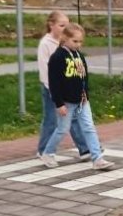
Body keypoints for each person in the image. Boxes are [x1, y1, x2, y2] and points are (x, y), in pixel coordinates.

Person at [40, 22, 115, 170]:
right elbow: (54, 82)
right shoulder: (57, 57)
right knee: (62, 128)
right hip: (66, 101)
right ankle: (48, 153)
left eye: (80, 41)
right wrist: (59, 103)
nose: (78, 44)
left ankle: (97, 158)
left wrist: (85, 93)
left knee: (89, 127)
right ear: (64, 38)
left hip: (81, 100)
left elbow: (84, 77)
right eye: (75, 41)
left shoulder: (79, 55)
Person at [37, 10, 91, 160]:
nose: (65, 28)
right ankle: (43, 150)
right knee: (51, 120)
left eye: (67, 25)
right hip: (51, 88)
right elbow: (46, 70)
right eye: (61, 25)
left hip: (67, 90)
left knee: (73, 119)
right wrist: (55, 93)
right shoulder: (45, 44)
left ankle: (84, 148)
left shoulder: (67, 42)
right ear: (51, 25)